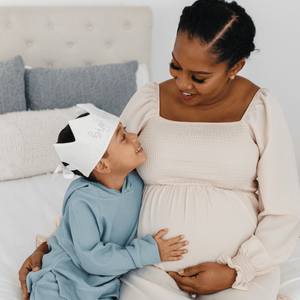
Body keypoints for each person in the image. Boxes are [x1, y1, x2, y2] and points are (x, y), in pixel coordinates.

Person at [19, 1, 300, 299]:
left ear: (235, 67)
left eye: (199, 77)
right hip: (148, 268)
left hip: (235, 275)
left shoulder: (260, 108)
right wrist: (50, 246)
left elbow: (284, 209)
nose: (181, 83)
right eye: (175, 65)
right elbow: (100, 174)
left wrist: (239, 268)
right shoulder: (149, 100)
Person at [24, 103, 188, 300]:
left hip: (103, 284)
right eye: (123, 137)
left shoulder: (134, 181)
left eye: (125, 130)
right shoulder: (82, 202)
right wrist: (147, 252)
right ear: (102, 165)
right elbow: (92, 259)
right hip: (61, 279)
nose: (134, 136)